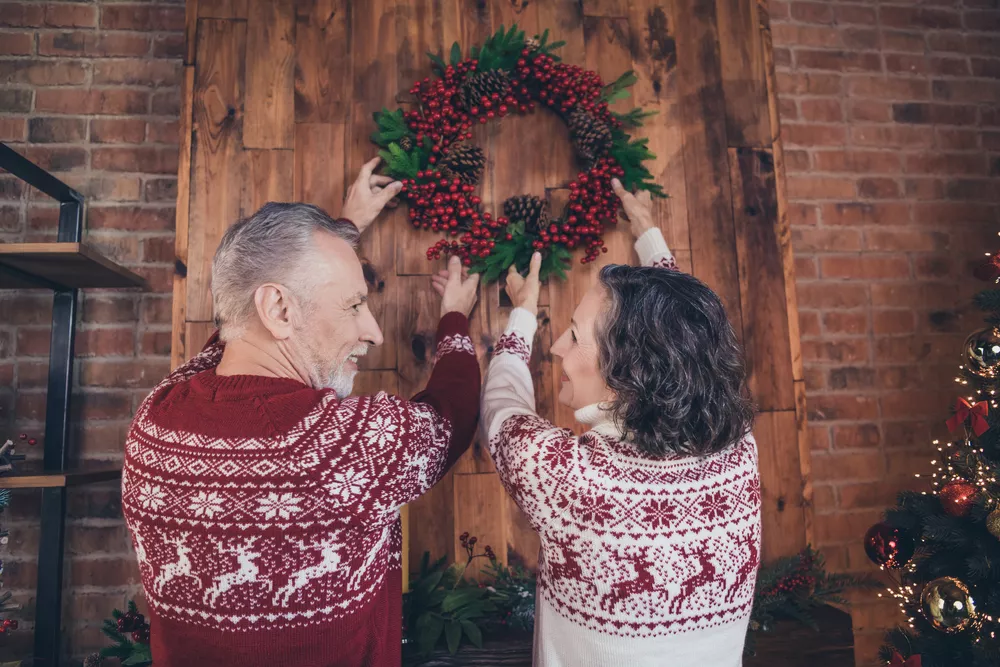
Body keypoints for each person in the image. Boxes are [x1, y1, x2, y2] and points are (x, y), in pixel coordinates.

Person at [121, 158, 481, 667]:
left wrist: (341, 234)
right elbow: (454, 413)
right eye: (355, 305)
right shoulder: (347, 445)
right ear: (280, 310)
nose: (374, 331)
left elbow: (234, 328)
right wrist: (454, 319)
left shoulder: (154, 418)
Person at [481, 179, 761, 667]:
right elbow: (684, 330)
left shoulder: (567, 475)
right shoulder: (738, 448)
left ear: (627, 373)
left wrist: (523, 315)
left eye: (572, 335)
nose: (556, 349)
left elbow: (501, 404)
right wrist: (648, 233)